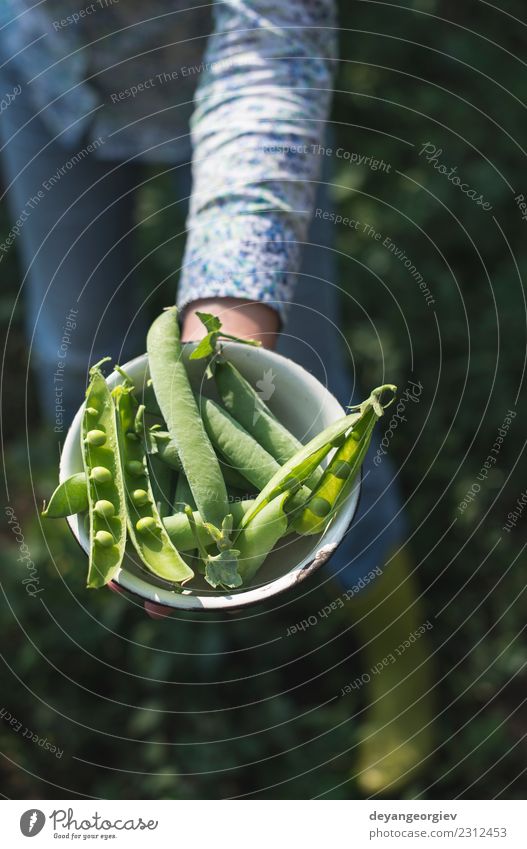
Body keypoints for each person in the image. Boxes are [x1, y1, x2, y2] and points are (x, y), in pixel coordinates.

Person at [0, 0, 433, 794]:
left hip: (241, 99)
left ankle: (399, 652)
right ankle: (123, 525)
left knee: (307, 405)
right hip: (43, 67)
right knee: (72, 360)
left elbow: (273, 48)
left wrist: (226, 325)